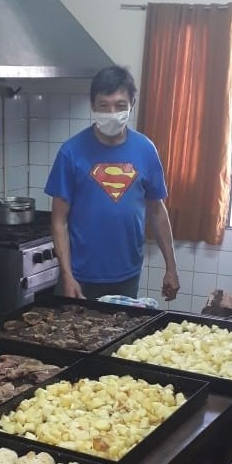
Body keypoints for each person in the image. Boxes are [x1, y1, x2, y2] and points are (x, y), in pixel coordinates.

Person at [46, 65, 180, 302]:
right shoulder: (71, 152)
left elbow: (157, 211)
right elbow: (59, 220)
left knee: (122, 328)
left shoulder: (146, 150)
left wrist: (171, 267)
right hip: (79, 276)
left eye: (119, 105)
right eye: (104, 105)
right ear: (93, 106)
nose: (111, 112)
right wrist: (66, 275)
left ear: (132, 104)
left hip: (127, 276)